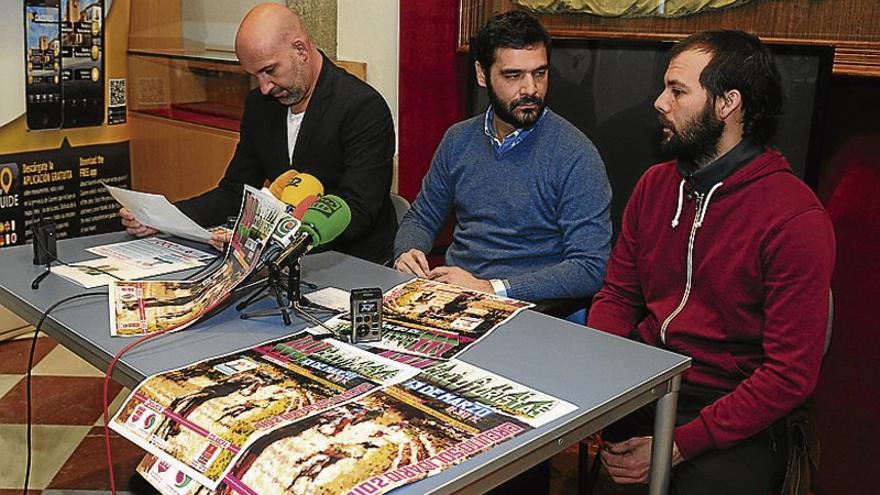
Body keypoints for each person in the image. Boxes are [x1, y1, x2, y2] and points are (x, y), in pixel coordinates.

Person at [587, 30, 835, 494]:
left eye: (678, 90)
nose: (660, 102)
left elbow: (789, 376)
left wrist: (676, 445)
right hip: (650, 382)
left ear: (727, 104)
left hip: (737, 405)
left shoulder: (795, 218)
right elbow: (619, 295)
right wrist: (597, 380)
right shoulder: (655, 186)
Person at [120, 3, 397, 263]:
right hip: (277, 263)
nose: (264, 87)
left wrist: (266, 241)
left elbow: (358, 211)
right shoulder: (260, 105)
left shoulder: (362, 108)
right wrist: (163, 217)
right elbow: (235, 192)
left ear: (300, 50)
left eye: (269, 70)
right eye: (255, 75)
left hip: (350, 263)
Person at [393, 11, 612, 309]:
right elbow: (421, 217)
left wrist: (491, 289)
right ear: (483, 75)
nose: (530, 89)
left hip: (531, 309)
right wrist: (408, 251)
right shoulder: (458, 140)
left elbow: (590, 267)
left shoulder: (576, 154)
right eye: (513, 76)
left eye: (540, 73)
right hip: (455, 296)